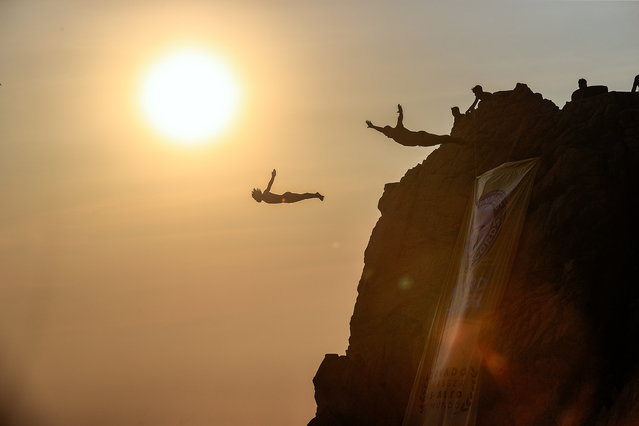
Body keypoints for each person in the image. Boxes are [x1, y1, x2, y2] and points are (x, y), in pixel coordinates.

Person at [366, 104, 463, 147]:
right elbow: (382, 130)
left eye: (387, 134)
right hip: (421, 142)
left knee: (440, 139)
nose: (387, 136)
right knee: (440, 140)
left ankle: (457, 140)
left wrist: (401, 111)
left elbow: (399, 119)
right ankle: (456, 141)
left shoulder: (397, 130)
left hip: (422, 137)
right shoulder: (393, 134)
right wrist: (373, 126)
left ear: (390, 130)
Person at [251, 169, 324, 204]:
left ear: (258, 195)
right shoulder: (265, 197)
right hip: (287, 198)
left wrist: (273, 176)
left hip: (287, 198)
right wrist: (273, 176)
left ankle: (316, 195)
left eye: (255, 198)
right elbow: (269, 186)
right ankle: (316, 195)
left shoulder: (265, 195)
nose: (256, 199)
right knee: (303, 196)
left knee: (303, 196)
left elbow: (269, 185)